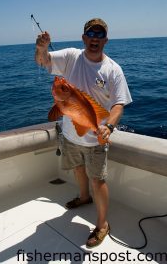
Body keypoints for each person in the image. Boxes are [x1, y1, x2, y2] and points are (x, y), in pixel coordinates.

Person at [34, 18, 132, 248]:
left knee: (98, 180)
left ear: (105, 40)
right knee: (78, 168)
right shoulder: (70, 56)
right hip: (70, 134)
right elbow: (43, 62)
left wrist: (108, 127)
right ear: (84, 38)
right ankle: (83, 196)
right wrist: (41, 48)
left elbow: (119, 104)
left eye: (100, 35)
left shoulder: (113, 70)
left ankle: (102, 225)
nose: (95, 39)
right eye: (90, 34)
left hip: (96, 135)